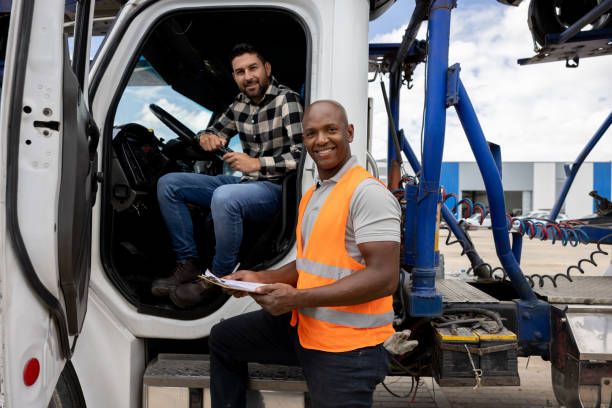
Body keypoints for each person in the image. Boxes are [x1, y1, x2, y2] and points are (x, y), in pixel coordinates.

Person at [208, 100, 401, 407]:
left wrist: (297, 299)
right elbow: (311, 263)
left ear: (350, 133)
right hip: (309, 328)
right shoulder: (314, 193)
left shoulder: (368, 193)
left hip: (348, 347)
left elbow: (384, 278)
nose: (321, 140)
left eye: (331, 130)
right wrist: (260, 278)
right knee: (224, 339)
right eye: (311, 133)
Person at [153, 43, 303, 307]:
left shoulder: (287, 100)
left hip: (276, 188)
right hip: (246, 182)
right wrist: (207, 137)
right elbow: (215, 130)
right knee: (169, 184)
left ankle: (218, 277)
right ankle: (188, 262)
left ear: (267, 69)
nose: (248, 76)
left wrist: (257, 164)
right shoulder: (239, 104)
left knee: (224, 197)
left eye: (253, 68)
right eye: (240, 72)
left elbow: (302, 155)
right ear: (234, 77)